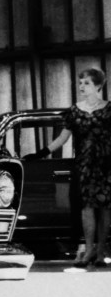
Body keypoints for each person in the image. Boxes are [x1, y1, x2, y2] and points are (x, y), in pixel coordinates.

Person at [30, 68, 111, 267]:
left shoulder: (109, 109)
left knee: (105, 207)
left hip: (106, 164)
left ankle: (101, 250)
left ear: (98, 86)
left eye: (87, 83)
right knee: (87, 207)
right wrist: (40, 153)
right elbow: (62, 138)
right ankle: (89, 249)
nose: (81, 86)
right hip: (84, 165)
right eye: (81, 82)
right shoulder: (74, 110)